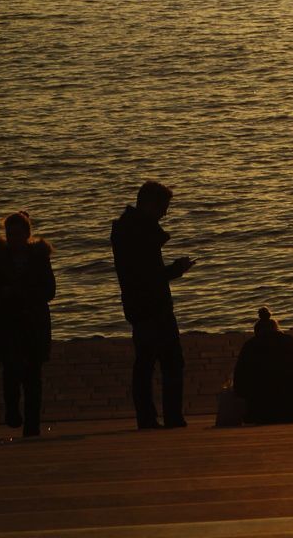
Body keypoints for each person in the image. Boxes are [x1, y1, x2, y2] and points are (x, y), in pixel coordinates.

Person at [111, 181, 196, 429]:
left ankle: (150, 417)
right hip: (152, 303)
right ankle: (170, 416)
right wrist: (175, 270)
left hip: (139, 303)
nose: (165, 213)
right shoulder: (139, 232)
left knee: (147, 361)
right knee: (168, 361)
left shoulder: (127, 229)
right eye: (163, 207)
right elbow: (149, 274)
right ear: (150, 204)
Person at [0, 211, 55, 437]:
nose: (13, 238)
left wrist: (28, 293)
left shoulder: (40, 257)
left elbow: (49, 290)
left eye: (17, 233)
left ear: (27, 234)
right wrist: (7, 293)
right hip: (8, 322)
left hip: (34, 321)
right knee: (11, 373)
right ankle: (13, 411)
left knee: (33, 375)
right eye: (10, 234)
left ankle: (32, 426)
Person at [234, 307, 293, 424]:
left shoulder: (250, 346)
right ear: (277, 328)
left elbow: (239, 383)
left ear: (257, 331)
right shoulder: (290, 342)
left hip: (260, 413)